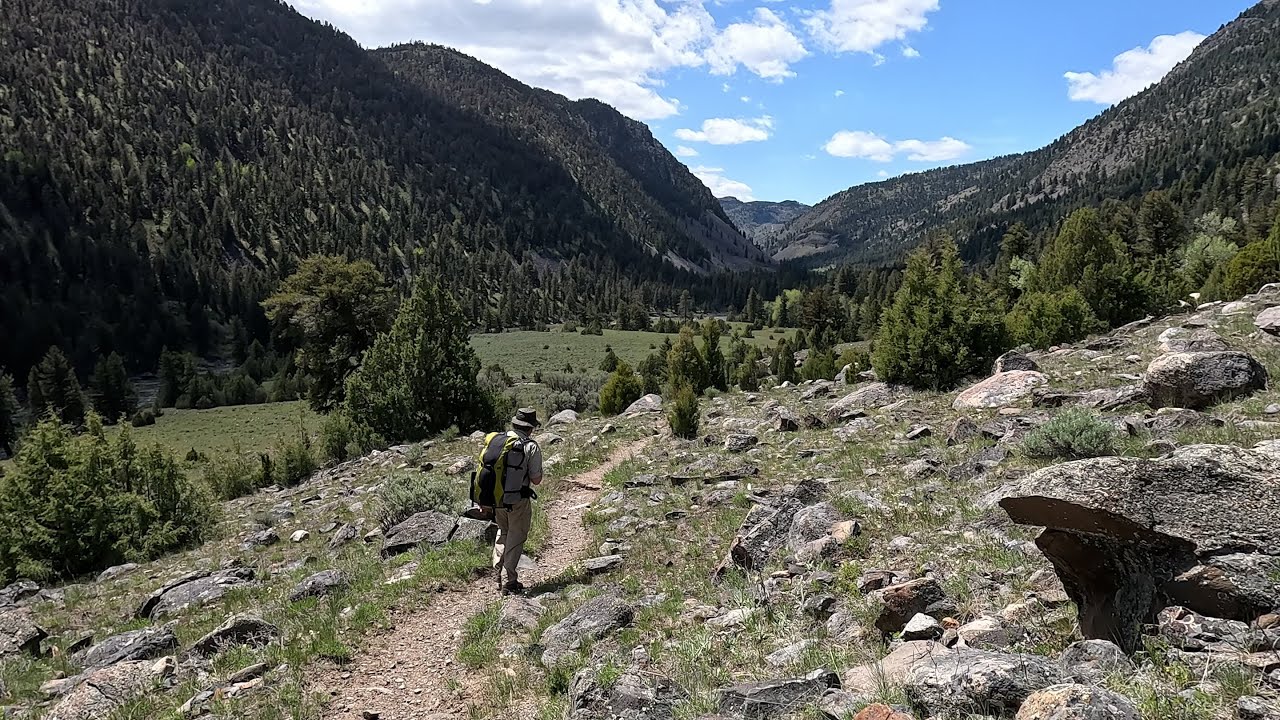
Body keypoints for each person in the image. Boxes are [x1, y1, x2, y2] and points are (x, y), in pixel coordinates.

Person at [492, 407, 544, 594]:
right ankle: (510, 580)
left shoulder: (498, 441)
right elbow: (536, 479)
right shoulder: (530, 446)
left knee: (503, 531)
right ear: (530, 428)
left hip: (496, 498)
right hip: (518, 499)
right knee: (516, 535)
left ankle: (497, 572)